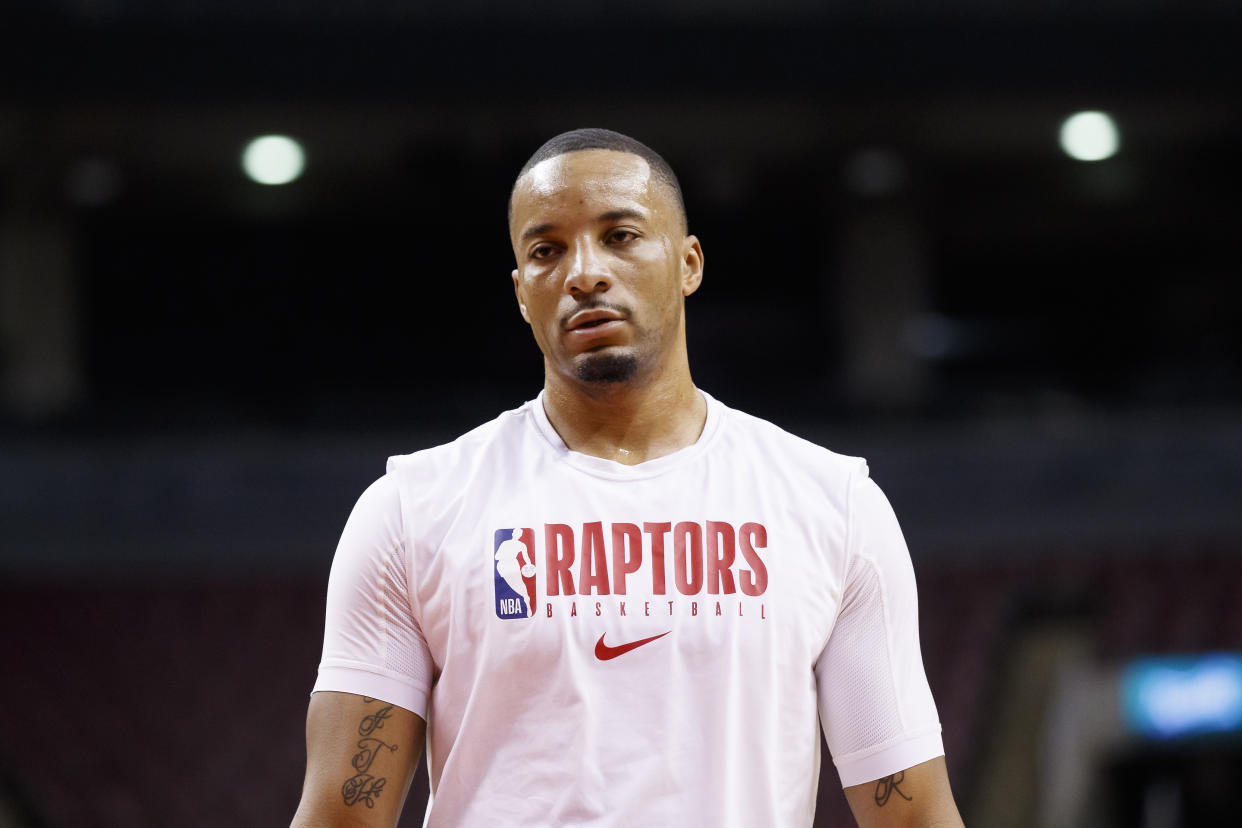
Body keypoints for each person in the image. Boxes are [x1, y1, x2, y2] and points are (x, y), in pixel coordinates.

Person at [290, 128, 964, 827]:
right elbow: (343, 813)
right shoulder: (413, 509)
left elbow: (911, 816)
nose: (583, 273)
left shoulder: (831, 505)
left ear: (688, 262)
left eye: (620, 236)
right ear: (522, 292)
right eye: (546, 251)